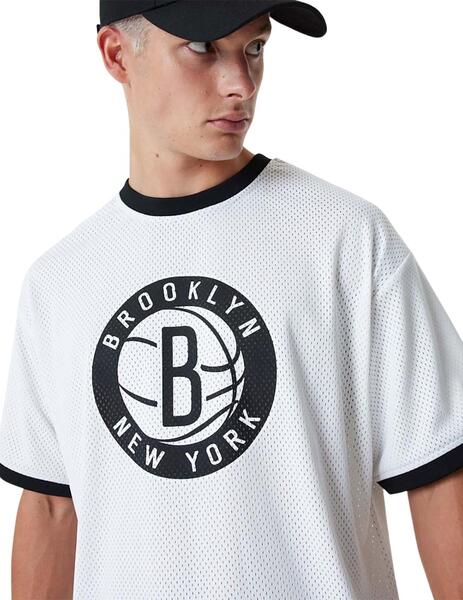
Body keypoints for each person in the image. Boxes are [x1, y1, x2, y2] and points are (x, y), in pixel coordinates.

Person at [0, 1, 462, 598]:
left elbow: (440, 472)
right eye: (202, 47)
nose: (241, 84)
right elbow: (50, 505)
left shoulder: (343, 237)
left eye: (254, 48)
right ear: (117, 55)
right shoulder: (60, 281)